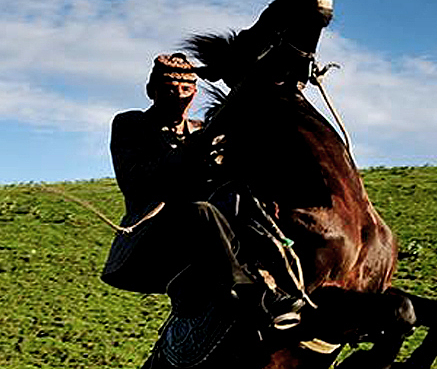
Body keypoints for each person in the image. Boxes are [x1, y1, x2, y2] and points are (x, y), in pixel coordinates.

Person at [101, 52, 304, 329]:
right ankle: (247, 292)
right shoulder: (131, 124)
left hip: (209, 229)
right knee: (200, 211)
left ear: (194, 93)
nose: (178, 96)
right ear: (152, 91)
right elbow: (136, 180)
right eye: (169, 89)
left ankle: (292, 283)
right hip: (153, 234)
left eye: (185, 89)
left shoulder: (203, 129)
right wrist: (197, 145)